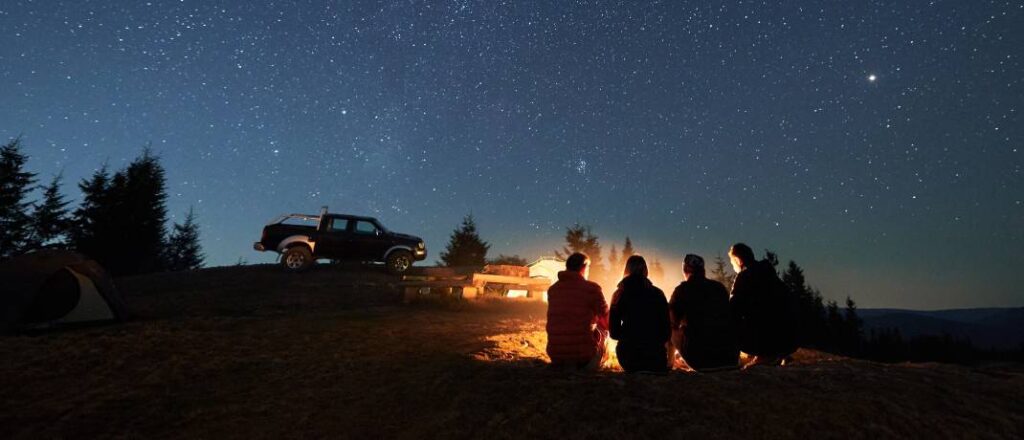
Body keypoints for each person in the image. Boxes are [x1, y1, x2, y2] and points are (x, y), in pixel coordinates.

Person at [728, 243, 798, 367]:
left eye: (732, 262)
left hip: (765, 337)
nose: (732, 266)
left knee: (730, 323)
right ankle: (779, 353)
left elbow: (733, 310)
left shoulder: (744, 278)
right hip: (789, 337)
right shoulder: (769, 274)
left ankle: (764, 356)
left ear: (738, 260)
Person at [669, 254, 739, 371]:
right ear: (703, 271)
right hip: (729, 357)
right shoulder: (719, 288)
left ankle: (670, 362)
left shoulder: (682, 290)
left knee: (669, 327)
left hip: (702, 360)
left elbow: (672, 321)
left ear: (685, 270)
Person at [546, 252, 610, 370]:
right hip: (584, 359)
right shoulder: (592, 289)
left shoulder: (553, 290)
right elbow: (607, 319)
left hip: (556, 357)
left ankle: (566, 361)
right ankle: (594, 363)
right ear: (584, 267)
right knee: (603, 330)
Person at [609, 255, 671, 373]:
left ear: (626, 271)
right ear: (645, 271)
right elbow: (666, 333)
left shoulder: (618, 294)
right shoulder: (658, 293)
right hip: (656, 360)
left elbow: (614, 333)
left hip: (629, 360)